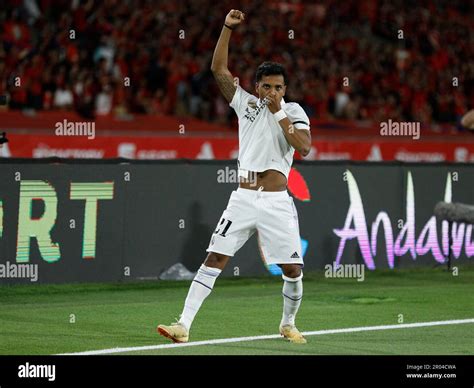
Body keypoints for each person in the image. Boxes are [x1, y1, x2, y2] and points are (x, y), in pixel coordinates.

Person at [158, 9, 311, 344]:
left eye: (279, 87)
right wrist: (227, 27)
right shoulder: (245, 104)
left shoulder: (294, 110)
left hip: (275, 202)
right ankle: (182, 325)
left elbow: (304, 147)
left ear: (285, 89)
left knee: (292, 270)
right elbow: (218, 69)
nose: (272, 91)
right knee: (215, 258)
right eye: (267, 86)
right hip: (243, 198)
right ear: (256, 87)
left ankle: (288, 323)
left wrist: (279, 111)